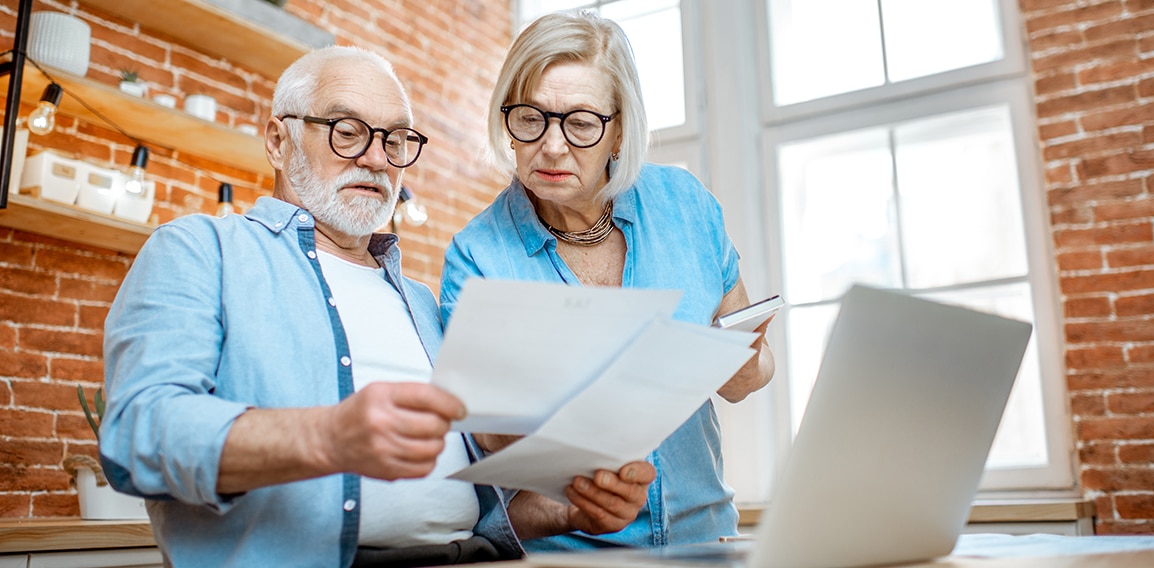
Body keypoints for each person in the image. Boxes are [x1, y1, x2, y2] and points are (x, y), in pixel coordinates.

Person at [100, 45, 655, 567]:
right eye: (347, 132)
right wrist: (327, 437)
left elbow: (458, 498)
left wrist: (565, 511)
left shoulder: (420, 302)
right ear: (277, 140)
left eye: (394, 140)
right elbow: (137, 435)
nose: (375, 158)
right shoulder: (201, 250)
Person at [439, 11, 775, 551]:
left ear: (618, 130)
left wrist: (743, 360)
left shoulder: (685, 204)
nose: (550, 146)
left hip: (707, 539)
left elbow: (752, 369)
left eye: (580, 123)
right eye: (530, 118)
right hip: (573, 553)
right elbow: (485, 444)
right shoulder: (477, 256)